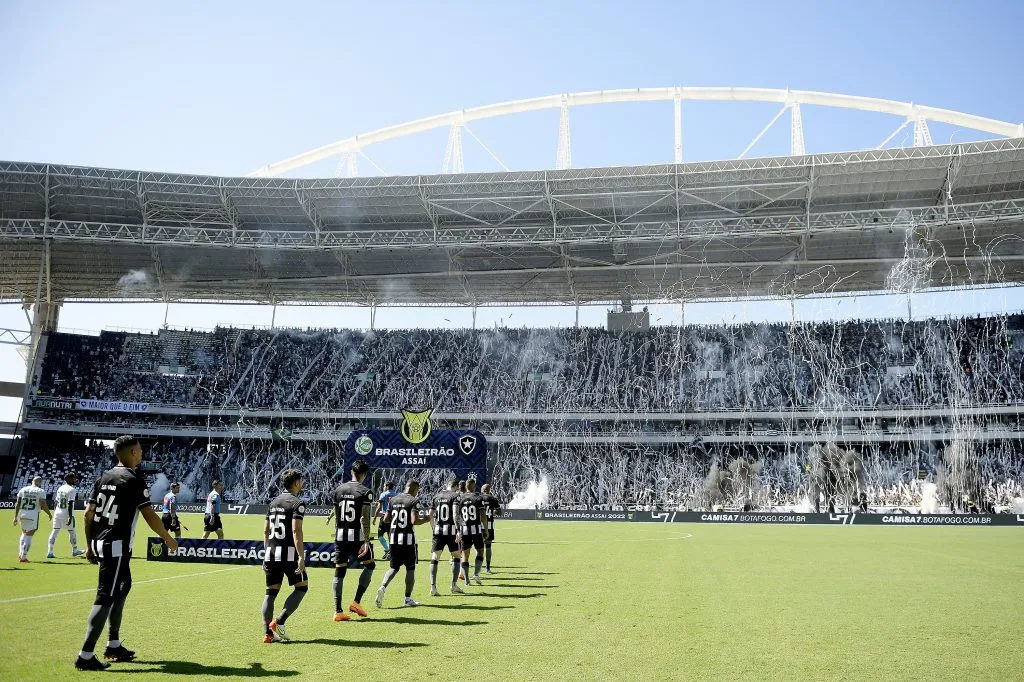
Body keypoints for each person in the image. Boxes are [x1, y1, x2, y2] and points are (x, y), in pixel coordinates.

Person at [74, 435, 179, 671]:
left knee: (123, 588)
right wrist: (168, 538)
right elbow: (149, 515)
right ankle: (85, 655)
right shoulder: (133, 480)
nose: (141, 454)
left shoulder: (103, 477)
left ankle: (113, 644)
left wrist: (89, 545)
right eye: (139, 450)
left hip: (102, 543)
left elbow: (88, 514)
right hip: (116, 546)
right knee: (105, 596)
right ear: (132, 452)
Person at [262, 469, 308, 644]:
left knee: (270, 593)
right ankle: (279, 621)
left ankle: (267, 634)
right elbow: (296, 531)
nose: (301, 483)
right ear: (296, 482)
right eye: (300, 481)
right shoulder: (297, 503)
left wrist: (266, 553)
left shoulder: (273, 502)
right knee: (302, 587)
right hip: (289, 554)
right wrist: (301, 557)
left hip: (271, 553)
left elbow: (266, 531)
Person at [328, 459, 375, 622]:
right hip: (357, 537)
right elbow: (364, 518)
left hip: (340, 535)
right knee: (370, 565)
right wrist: (366, 541)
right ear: (364, 474)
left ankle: (337, 611)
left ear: (351, 472)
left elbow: (337, 515)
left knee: (339, 570)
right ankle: (356, 602)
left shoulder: (339, 490)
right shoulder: (365, 492)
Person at [375, 479, 429, 608]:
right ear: (415, 489)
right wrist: (426, 519)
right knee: (410, 569)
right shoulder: (414, 501)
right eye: (417, 491)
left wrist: (397, 519)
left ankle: (383, 587)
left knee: (393, 568)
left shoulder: (393, 499)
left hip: (393, 539)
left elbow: (386, 519)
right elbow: (414, 520)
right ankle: (407, 599)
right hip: (408, 540)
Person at [428, 478, 464, 596]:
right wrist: (458, 530)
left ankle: (433, 587)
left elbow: (430, 515)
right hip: (451, 531)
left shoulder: (436, 496)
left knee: (435, 557)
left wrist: (433, 528)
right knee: (457, 556)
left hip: (438, 531)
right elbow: (455, 514)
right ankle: (453, 585)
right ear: (456, 486)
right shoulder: (455, 496)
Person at [457, 479, 489, 586]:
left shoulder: (460, 498)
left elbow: (457, 515)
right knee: (480, 551)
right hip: (476, 529)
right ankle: (476, 574)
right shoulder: (478, 497)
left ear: (466, 487)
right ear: (474, 486)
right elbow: (483, 515)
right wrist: (486, 530)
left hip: (464, 530)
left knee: (465, 555)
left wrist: (459, 529)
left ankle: (467, 580)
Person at [13, 475, 51, 562]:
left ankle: (20, 553)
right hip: (33, 515)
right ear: (39, 482)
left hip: (22, 514)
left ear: (32, 481)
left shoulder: (23, 489)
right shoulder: (40, 491)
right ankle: (23, 557)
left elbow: (17, 504)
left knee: (24, 533)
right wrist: (49, 514)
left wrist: (15, 516)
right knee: (29, 535)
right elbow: (43, 504)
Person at [48, 473, 86, 558]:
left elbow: (56, 502)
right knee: (72, 531)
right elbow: (70, 503)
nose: (75, 480)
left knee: (54, 531)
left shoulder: (60, 488)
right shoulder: (71, 489)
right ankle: (75, 550)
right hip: (66, 513)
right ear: (68, 479)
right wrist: (70, 516)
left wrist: (55, 512)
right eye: (73, 478)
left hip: (58, 512)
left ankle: (50, 552)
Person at [479, 483, 502, 574]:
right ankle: (488, 568)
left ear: (483, 490)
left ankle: (478, 568)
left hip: (479, 525)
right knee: (488, 547)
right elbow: (499, 512)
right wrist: (492, 512)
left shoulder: (478, 498)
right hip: (489, 525)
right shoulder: (493, 499)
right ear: (489, 490)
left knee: (479, 547)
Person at [373, 481, 396, 560]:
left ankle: (387, 550)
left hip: (384, 517)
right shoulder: (396, 495)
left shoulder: (383, 494)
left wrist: (375, 518)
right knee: (391, 536)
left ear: (387, 486)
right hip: (393, 518)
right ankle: (391, 552)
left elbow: (379, 507)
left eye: (384, 486)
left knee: (380, 535)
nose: (383, 487)